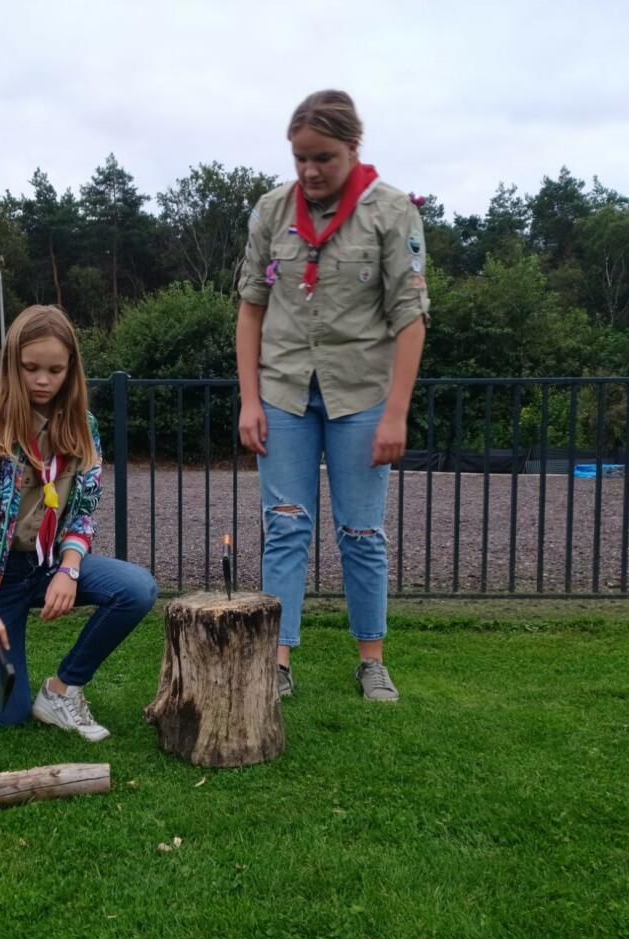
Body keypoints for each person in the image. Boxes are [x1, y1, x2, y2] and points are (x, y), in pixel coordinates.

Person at [235, 89, 430, 702]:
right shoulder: (271, 211)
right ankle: (277, 662)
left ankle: (371, 661)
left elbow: (410, 318)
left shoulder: (391, 212)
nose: (310, 170)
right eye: (300, 158)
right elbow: (250, 307)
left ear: (353, 147)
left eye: (323, 157)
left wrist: (396, 413)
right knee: (285, 526)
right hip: (284, 392)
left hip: (362, 396)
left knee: (362, 532)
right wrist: (249, 400)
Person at [0, 305, 158, 740]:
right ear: (12, 364)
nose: (43, 380)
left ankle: (61, 690)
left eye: (55, 370)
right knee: (9, 712)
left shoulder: (83, 426)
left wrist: (69, 568)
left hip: (48, 566)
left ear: (71, 370)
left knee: (136, 589)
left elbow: (83, 509)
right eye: (31, 368)